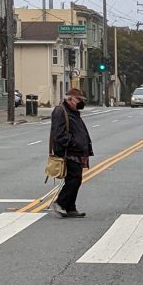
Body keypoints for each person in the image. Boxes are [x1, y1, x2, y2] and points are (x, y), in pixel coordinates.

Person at [50, 87, 93, 218]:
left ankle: (70, 207)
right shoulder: (60, 111)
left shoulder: (74, 112)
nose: (81, 102)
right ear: (69, 99)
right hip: (69, 152)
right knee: (74, 180)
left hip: (78, 152)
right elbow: (59, 134)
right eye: (79, 100)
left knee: (75, 179)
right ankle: (60, 202)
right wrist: (73, 143)